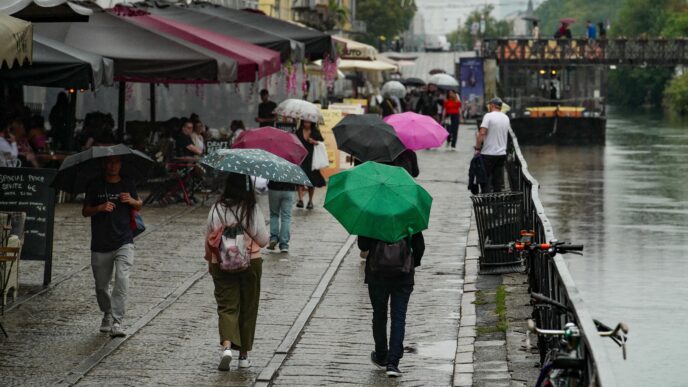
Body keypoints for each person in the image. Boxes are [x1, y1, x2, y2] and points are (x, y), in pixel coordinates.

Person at [204, 172, 269, 371]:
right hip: (250, 262)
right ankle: (243, 356)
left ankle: (226, 348)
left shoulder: (216, 208)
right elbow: (264, 240)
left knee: (226, 307)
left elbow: (209, 237)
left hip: (221, 262)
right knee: (248, 308)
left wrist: (210, 261)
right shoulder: (251, 208)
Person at [82, 155, 142, 338]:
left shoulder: (127, 183)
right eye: (109, 162)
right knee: (101, 286)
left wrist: (131, 201)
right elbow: (85, 211)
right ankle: (107, 312)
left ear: (121, 164)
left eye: (116, 162)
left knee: (122, 280)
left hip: (124, 240)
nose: (113, 166)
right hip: (100, 243)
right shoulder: (95, 184)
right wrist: (99, 208)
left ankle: (117, 321)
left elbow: (139, 204)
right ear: (103, 164)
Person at [358, 231, 425, 377]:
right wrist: (413, 262)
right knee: (399, 318)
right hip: (403, 274)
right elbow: (419, 246)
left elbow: (362, 245)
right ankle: (393, 363)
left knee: (379, 315)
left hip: (377, 274)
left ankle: (382, 355)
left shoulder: (373, 214)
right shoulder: (408, 213)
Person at [475, 98, 510, 192]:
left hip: (488, 153)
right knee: (497, 181)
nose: (489, 107)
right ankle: (496, 203)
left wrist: (477, 148)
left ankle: (486, 201)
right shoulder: (506, 118)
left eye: (489, 105)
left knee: (485, 179)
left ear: (493, 105)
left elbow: (482, 133)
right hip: (501, 154)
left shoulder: (488, 116)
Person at [295, 120, 326, 209]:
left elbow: (321, 143)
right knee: (299, 179)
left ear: (311, 123)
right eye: (305, 122)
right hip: (301, 158)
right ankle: (300, 200)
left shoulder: (315, 132)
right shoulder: (298, 132)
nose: (306, 124)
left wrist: (314, 142)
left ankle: (310, 201)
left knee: (311, 181)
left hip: (312, 159)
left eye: (308, 122)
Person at [267, 180, 296, 253]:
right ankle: (284, 245)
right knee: (286, 217)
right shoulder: (293, 167)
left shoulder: (273, 167)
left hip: (274, 188)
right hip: (289, 189)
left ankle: (274, 238)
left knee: (274, 214)